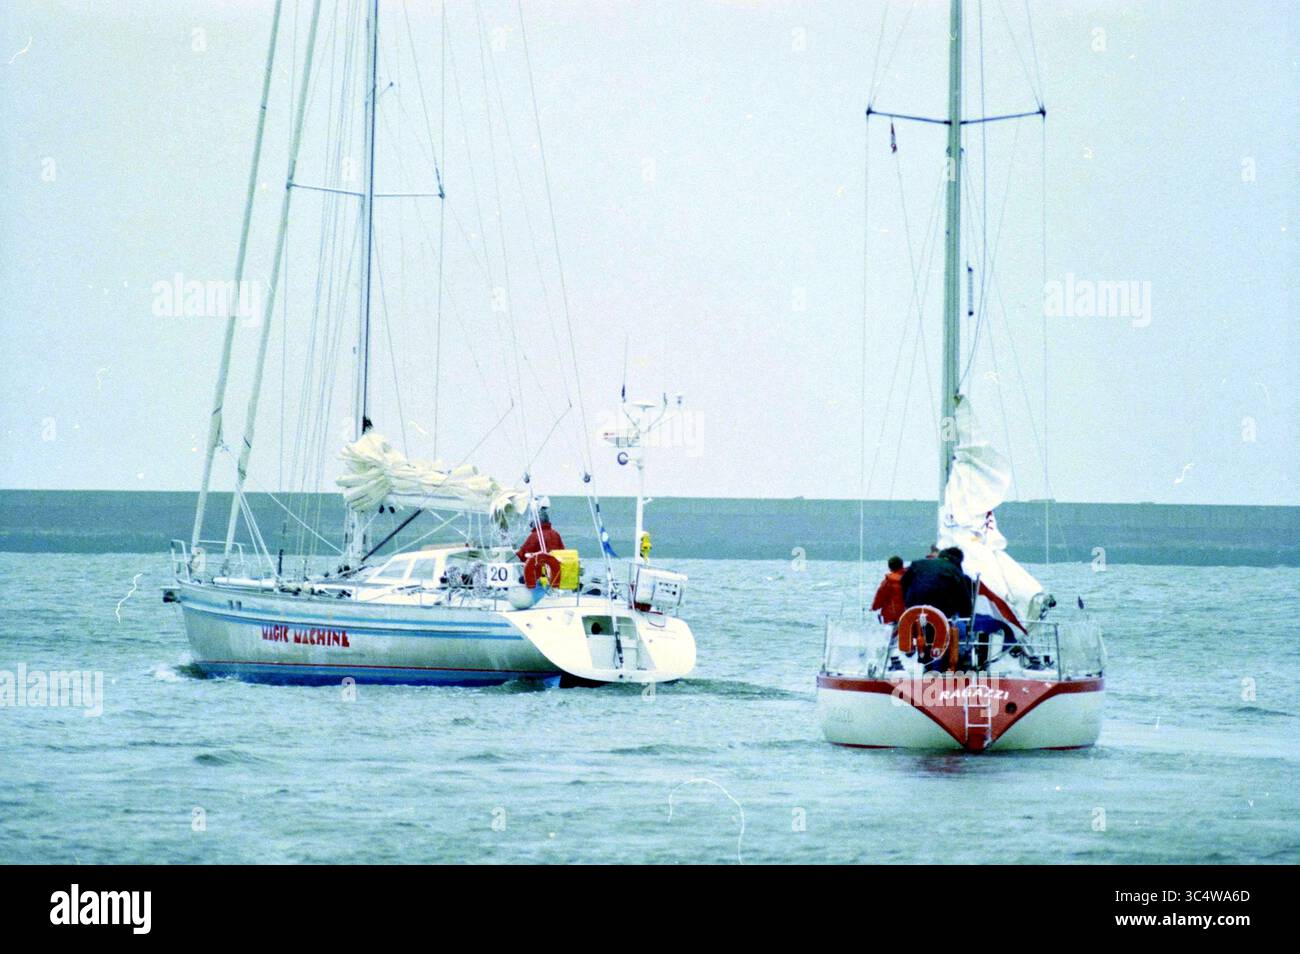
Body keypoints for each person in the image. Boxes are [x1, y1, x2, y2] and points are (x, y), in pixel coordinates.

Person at [900, 546, 973, 620]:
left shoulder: (918, 564)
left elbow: (903, 581)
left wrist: (906, 601)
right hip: (940, 612)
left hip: (914, 606)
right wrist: (966, 617)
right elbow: (964, 597)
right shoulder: (955, 571)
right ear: (958, 561)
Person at [871, 556, 906, 624]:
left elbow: (880, 597)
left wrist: (874, 607)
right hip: (909, 613)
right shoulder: (911, 577)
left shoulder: (888, 581)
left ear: (890, 568)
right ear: (902, 565)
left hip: (892, 616)